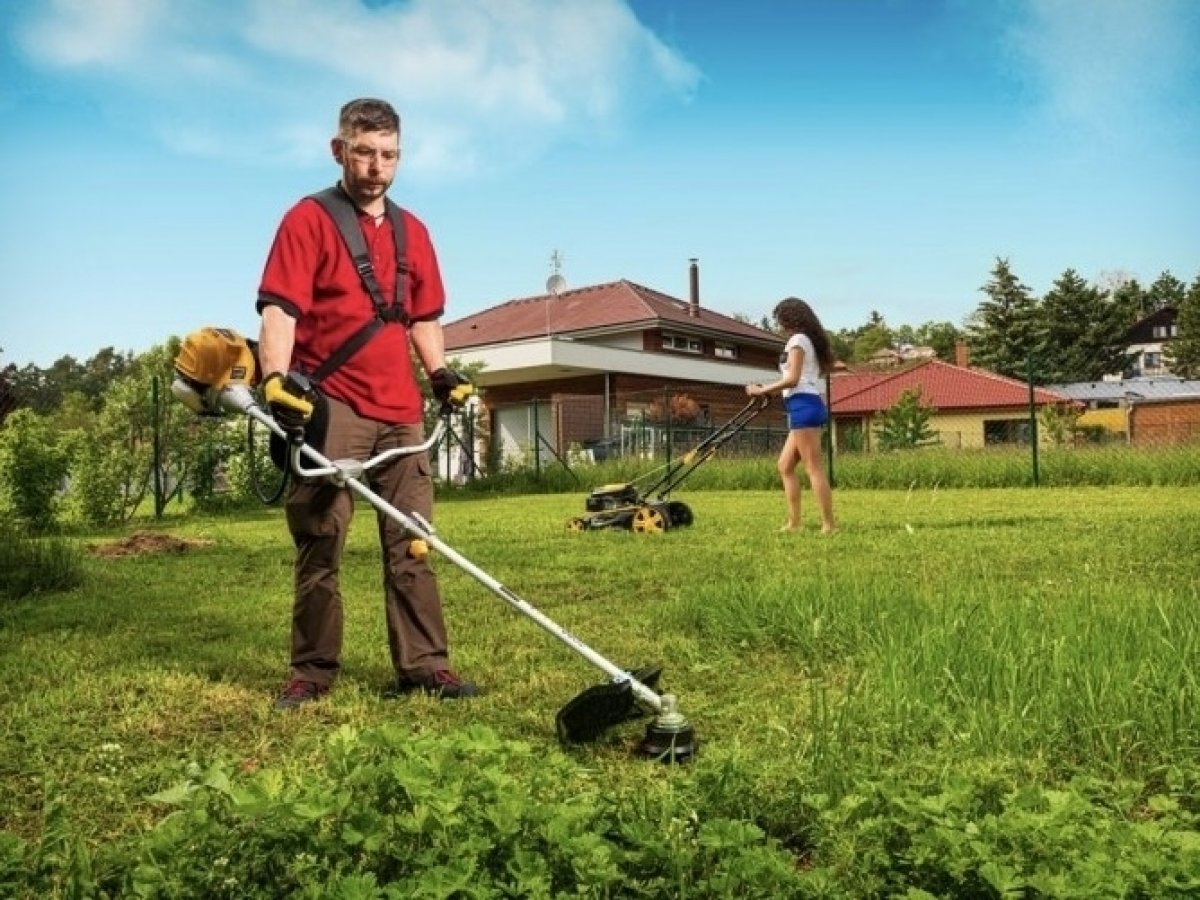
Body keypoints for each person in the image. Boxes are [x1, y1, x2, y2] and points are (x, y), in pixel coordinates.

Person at [255, 98, 478, 709]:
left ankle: (426, 667)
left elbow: (425, 316)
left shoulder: (415, 232)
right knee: (321, 540)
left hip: (401, 411)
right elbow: (280, 309)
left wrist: (439, 374)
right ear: (339, 151)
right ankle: (312, 670)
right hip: (333, 408)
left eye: (389, 155)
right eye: (364, 153)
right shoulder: (307, 219)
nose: (377, 167)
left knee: (413, 540)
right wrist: (277, 379)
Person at [745, 297, 837, 534]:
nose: (779, 325)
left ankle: (829, 525)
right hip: (804, 403)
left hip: (803, 405)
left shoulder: (797, 340)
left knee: (813, 468)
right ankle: (794, 523)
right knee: (785, 465)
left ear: (789, 318)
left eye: (780, 319)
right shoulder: (810, 341)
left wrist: (761, 390)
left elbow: (793, 378)